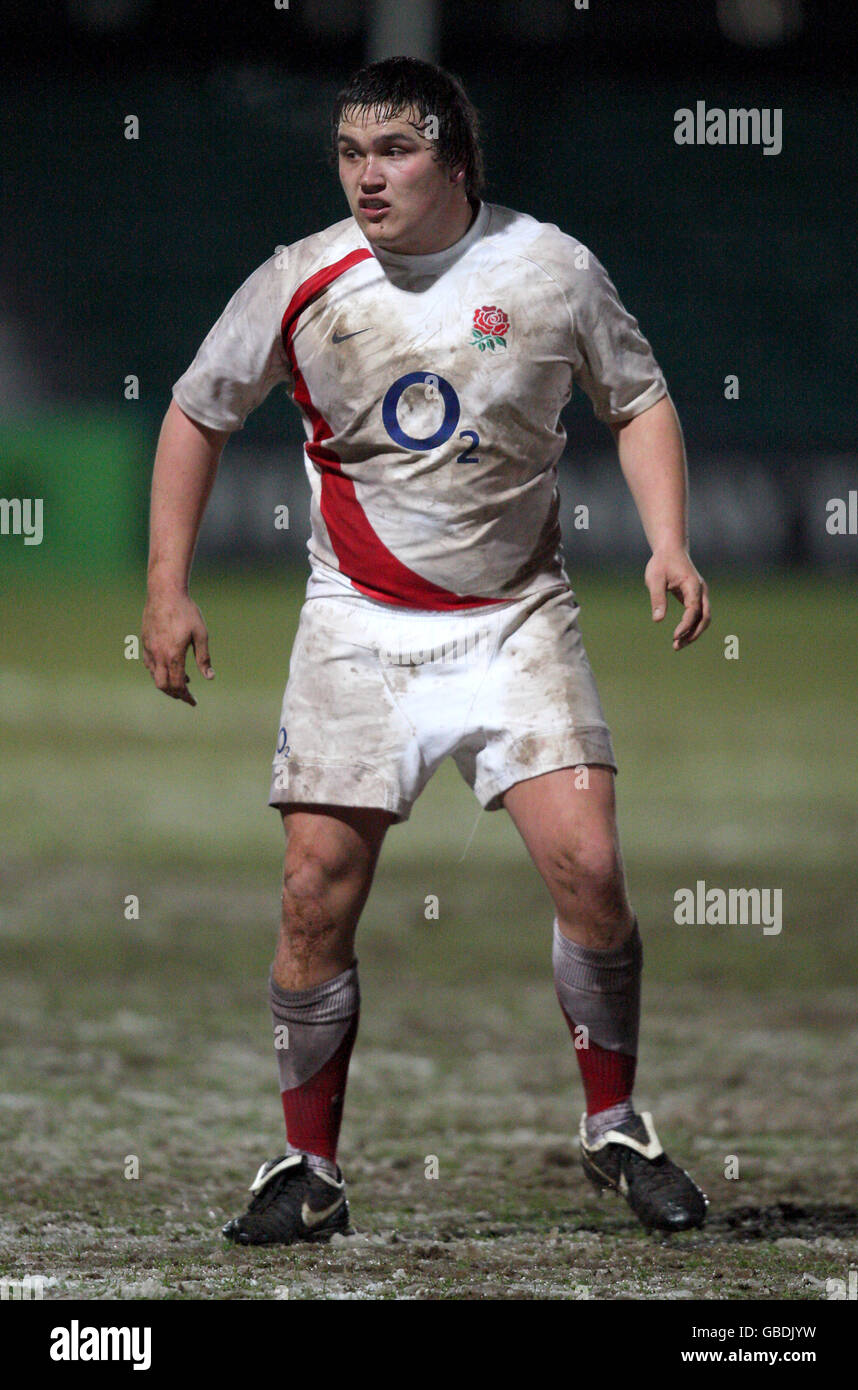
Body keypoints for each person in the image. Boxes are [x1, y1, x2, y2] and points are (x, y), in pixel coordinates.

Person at [142, 56, 711, 1245]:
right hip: (359, 626)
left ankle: (613, 1125)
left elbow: (639, 396)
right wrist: (166, 590)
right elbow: (197, 409)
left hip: (515, 617)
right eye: (350, 153)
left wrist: (667, 541)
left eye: (394, 150)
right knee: (312, 893)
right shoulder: (300, 279)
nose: (368, 175)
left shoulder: (548, 268)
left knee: (590, 867)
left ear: (453, 158)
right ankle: (307, 1169)